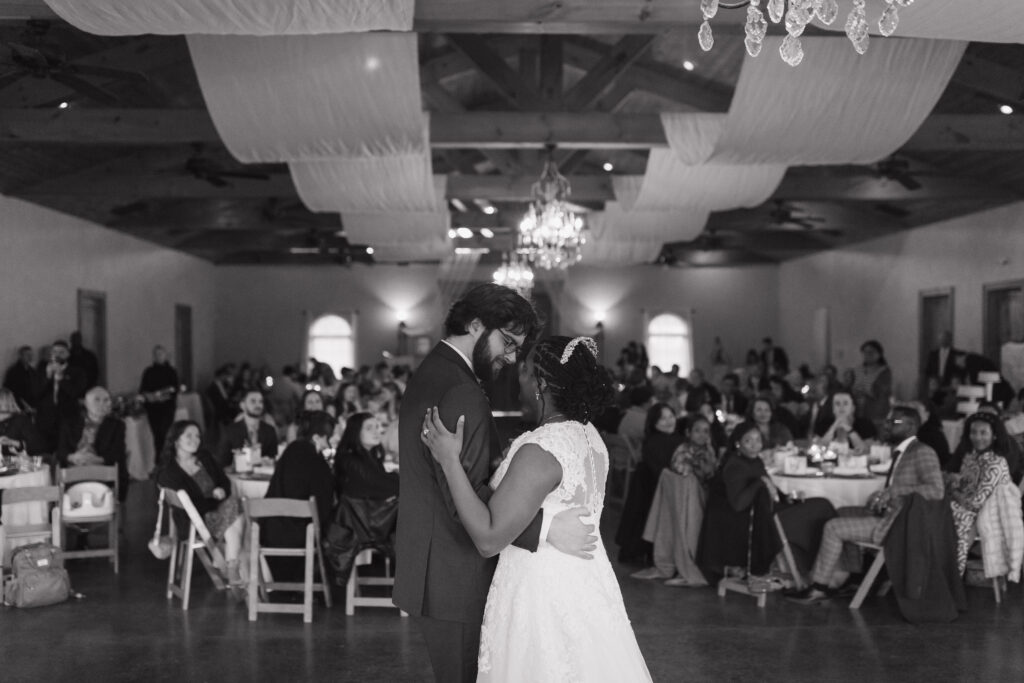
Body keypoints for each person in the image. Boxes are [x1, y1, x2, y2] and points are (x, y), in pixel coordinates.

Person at [393, 284, 595, 683]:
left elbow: (465, 478)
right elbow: (460, 496)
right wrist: (547, 528)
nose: (513, 355)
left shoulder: (435, 370)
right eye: (507, 341)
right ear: (474, 324)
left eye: (518, 346)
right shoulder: (461, 390)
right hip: (455, 574)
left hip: (437, 569)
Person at [421, 335, 652, 682]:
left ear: (541, 383)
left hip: (541, 595)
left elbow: (488, 538)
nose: (518, 373)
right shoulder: (591, 437)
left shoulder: (541, 449)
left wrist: (450, 460)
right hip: (586, 587)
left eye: (526, 369)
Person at [787, 405, 944, 604]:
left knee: (833, 527)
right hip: (888, 512)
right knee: (840, 512)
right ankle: (849, 576)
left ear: (911, 426)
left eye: (893, 422)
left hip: (898, 522)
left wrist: (894, 492)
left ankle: (819, 587)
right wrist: (882, 495)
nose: (886, 426)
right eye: (887, 421)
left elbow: (936, 490)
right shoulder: (902, 452)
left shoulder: (922, 452)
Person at [157, 421, 245, 586]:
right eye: (188, 436)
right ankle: (231, 567)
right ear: (176, 440)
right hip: (194, 523)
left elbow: (224, 481)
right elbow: (192, 506)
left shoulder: (205, 458)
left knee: (234, 511)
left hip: (217, 513)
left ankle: (229, 566)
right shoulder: (169, 472)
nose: (195, 440)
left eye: (197, 435)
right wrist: (213, 499)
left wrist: (221, 490)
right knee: (238, 512)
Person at [637, 413, 720, 586]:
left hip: (702, 497)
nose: (702, 435)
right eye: (697, 431)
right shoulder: (683, 450)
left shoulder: (709, 451)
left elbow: (711, 473)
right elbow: (682, 471)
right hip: (686, 500)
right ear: (688, 432)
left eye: (706, 431)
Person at [263, 410, 336, 581]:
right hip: (302, 537)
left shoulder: (290, 451)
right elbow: (323, 507)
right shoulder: (317, 462)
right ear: (318, 437)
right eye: (329, 438)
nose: (329, 445)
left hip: (271, 533)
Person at [945, 412, 1017, 575]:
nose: (977, 437)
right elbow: (963, 488)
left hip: (989, 514)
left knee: (943, 514)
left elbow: (975, 503)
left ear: (995, 436)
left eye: (983, 432)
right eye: (973, 432)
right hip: (967, 507)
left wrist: (952, 491)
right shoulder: (971, 456)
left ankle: (952, 574)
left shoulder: (996, 463)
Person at [617, 403, 684, 566]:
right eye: (663, 418)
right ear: (654, 422)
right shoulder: (654, 442)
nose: (668, 421)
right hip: (650, 489)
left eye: (671, 416)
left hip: (659, 486)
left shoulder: (678, 439)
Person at [56, 386, 128, 499]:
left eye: (106, 400)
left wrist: (95, 460)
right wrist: (73, 457)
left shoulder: (117, 425)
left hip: (102, 469)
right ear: (86, 403)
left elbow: (117, 453)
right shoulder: (70, 423)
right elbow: (61, 451)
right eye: (97, 400)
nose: (103, 404)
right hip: (74, 468)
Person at [33, 340, 88, 452]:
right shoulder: (41, 370)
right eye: (54, 351)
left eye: (61, 352)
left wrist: (61, 379)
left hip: (67, 417)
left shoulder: (77, 371)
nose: (57, 355)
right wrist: (47, 377)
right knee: (45, 451)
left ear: (68, 354)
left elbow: (76, 392)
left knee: (65, 450)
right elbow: (35, 393)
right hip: (46, 419)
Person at [334, 412, 399, 500]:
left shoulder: (371, 455)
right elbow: (380, 484)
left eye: (376, 427)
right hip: (359, 512)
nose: (376, 432)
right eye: (369, 428)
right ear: (356, 432)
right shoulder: (349, 459)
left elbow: (381, 481)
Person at [216, 389, 278, 468]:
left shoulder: (269, 430)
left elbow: (273, 459)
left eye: (260, 401)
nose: (258, 405)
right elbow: (222, 463)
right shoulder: (230, 431)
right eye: (253, 401)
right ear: (242, 405)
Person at [140, 345, 179, 456]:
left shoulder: (171, 372)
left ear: (165, 355)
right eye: (156, 354)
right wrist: (150, 396)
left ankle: (167, 460)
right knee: (157, 436)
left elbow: (174, 390)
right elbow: (143, 390)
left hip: (167, 409)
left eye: (161, 354)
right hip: (153, 410)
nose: (158, 356)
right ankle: (158, 461)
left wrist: (161, 395)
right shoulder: (148, 372)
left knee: (165, 434)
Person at [850, 339, 893, 433]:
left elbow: (882, 391)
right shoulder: (857, 369)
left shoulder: (884, 371)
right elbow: (851, 385)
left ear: (879, 354)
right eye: (865, 352)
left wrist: (865, 391)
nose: (867, 355)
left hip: (876, 412)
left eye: (871, 352)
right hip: (858, 411)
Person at [0, 388, 46, 456]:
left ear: (7, 402)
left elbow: (38, 446)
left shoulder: (21, 420)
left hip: (17, 463)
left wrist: (13, 443)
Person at [924, 331, 965, 404]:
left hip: (951, 385)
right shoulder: (933, 354)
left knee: (949, 403)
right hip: (936, 385)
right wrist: (932, 381)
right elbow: (928, 370)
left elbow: (961, 371)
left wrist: (955, 381)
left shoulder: (957, 354)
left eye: (945, 339)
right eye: (941, 339)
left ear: (950, 340)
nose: (942, 341)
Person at [3, 345, 36, 410]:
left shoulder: (32, 371)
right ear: (20, 356)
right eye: (27, 355)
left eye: (31, 355)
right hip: (19, 405)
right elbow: (9, 390)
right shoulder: (13, 371)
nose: (30, 357)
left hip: (32, 403)